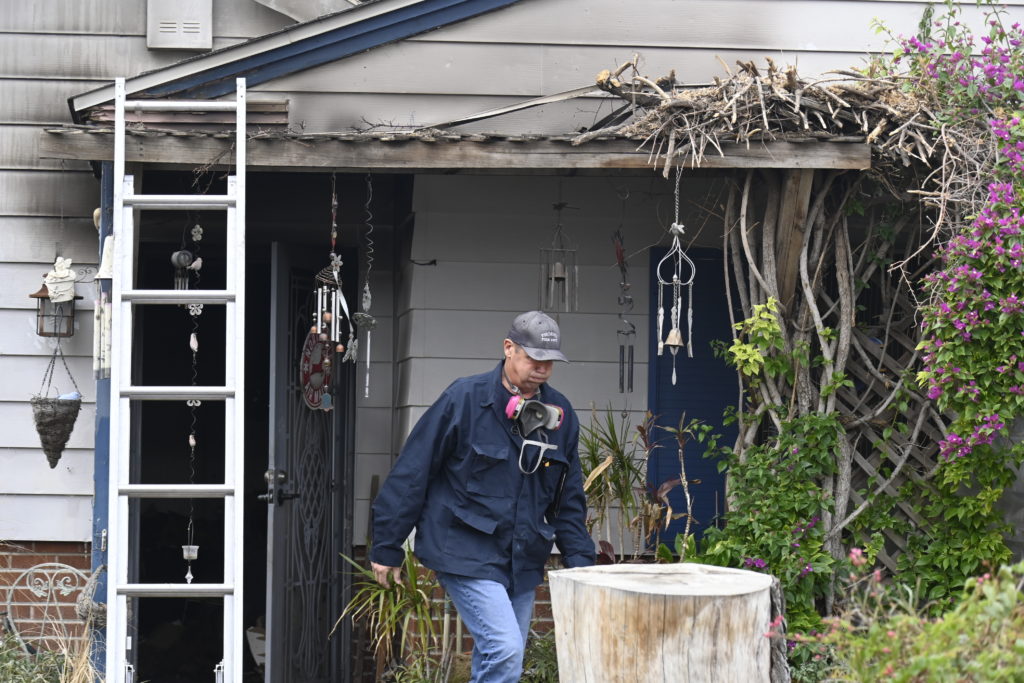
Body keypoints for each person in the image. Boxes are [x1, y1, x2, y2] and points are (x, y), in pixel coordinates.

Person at [369, 310, 595, 682]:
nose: (542, 369)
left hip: (522, 557)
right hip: (464, 549)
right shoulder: (464, 399)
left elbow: (567, 496)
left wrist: (581, 563)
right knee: (504, 650)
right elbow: (413, 470)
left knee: (506, 659)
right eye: (534, 358)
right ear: (508, 348)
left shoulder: (560, 415)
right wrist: (386, 545)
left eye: (550, 362)